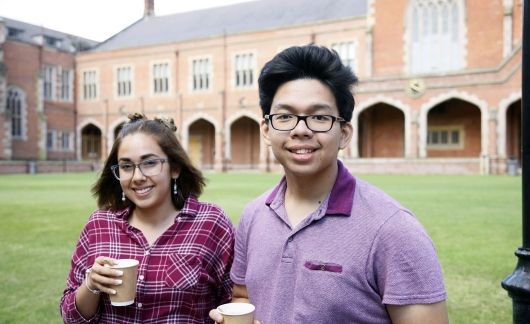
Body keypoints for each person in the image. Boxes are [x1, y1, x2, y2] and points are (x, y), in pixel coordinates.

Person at [210, 45, 448, 323]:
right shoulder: (253, 215)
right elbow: (243, 296)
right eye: (285, 116)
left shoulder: (394, 230)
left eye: (319, 117)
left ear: (344, 134)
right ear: (266, 130)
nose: (301, 130)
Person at [60, 113, 234, 323]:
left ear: (175, 168)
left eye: (149, 163)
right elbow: (70, 317)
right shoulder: (99, 224)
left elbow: (234, 300)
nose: (137, 177)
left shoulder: (210, 223)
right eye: (126, 166)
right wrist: (91, 285)